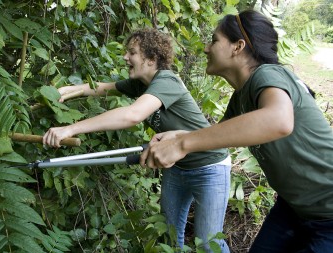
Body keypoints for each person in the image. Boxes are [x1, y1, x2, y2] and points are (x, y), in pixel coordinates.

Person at [141, 10, 333, 253]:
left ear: (238, 46)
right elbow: (217, 137)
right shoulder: (241, 96)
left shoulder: (268, 74)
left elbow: (279, 121)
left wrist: (182, 144)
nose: (206, 49)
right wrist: (178, 136)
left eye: (214, 41)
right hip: (293, 208)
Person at [42, 28, 231, 252]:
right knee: (169, 239)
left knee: (210, 244)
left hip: (209, 166)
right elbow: (102, 88)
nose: (125, 57)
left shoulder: (167, 81)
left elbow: (132, 115)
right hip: (176, 165)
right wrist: (69, 90)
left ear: (151, 59)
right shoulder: (142, 84)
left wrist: (70, 129)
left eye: (132, 52)